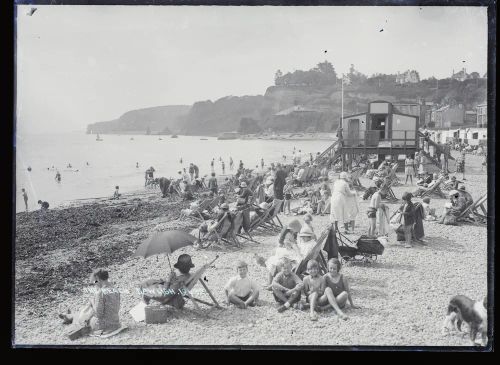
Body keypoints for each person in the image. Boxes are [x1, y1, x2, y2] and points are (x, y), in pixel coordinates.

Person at [59, 269, 121, 334]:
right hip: (115, 322)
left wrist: (93, 302)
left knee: (84, 314)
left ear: (98, 279)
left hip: (103, 325)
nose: (95, 284)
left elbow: (98, 314)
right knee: (88, 310)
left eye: (95, 281)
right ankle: (69, 316)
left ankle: (70, 316)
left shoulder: (100, 293)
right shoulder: (115, 288)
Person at [264, 220, 303, 289]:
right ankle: (270, 283)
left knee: (274, 263)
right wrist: (298, 253)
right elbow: (293, 245)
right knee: (274, 263)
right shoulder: (289, 235)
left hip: (285, 251)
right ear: (293, 229)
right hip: (287, 252)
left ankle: (270, 282)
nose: (297, 233)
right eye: (296, 231)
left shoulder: (289, 234)